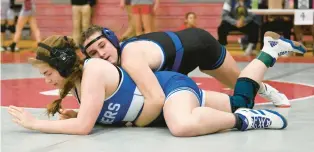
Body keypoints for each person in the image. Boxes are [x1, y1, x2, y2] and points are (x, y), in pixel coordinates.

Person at [9, 32, 306, 136]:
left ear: (61, 65)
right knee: (240, 99)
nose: (44, 79)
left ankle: (244, 122)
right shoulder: (80, 85)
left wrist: (35, 124)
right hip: (164, 102)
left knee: (182, 125)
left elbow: (84, 129)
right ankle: (269, 52)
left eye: (47, 72)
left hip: (168, 90)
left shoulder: (94, 69)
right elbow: (96, 116)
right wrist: (82, 113)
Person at [81, 25, 290, 111]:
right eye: (93, 53)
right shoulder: (116, 64)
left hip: (200, 45)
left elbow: (154, 100)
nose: (101, 54)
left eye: (102, 45)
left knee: (240, 84)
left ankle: (268, 71)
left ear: (112, 40)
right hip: (175, 65)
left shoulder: (130, 59)